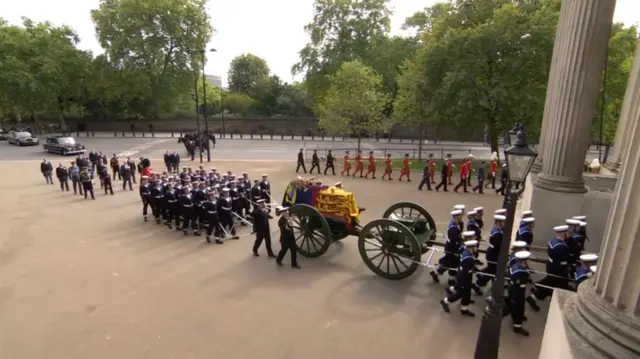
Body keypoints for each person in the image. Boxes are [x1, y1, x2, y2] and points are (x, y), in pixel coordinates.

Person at [526, 225, 572, 312]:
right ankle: (536, 293)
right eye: (567, 232)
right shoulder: (562, 246)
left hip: (550, 266)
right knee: (557, 286)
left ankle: (536, 291)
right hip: (558, 269)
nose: (569, 234)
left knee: (552, 285)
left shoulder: (552, 242)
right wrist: (566, 270)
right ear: (564, 233)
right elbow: (563, 262)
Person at [440, 235, 478, 317]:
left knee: (466, 295)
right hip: (465, 279)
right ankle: (445, 301)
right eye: (475, 247)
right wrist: (463, 282)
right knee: (460, 294)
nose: (476, 248)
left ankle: (465, 309)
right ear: (471, 247)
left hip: (464, 277)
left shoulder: (465, 253)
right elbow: (465, 271)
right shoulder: (468, 258)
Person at [430, 209, 463, 285]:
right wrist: (455, 251)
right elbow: (453, 241)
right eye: (460, 215)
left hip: (452, 247)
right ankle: (437, 272)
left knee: (452, 263)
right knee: (449, 262)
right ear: (456, 217)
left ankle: (447, 277)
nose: (461, 217)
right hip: (452, 248)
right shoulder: (453, 228)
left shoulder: (455, 225)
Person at [476, 214, 506, 287]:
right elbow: (499, 246)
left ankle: (481, 277)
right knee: (493, 270)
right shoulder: (498, 234)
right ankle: (480, 282)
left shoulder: (496, 229)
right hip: (493, 254)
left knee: (492, 269)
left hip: (491, 253)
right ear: (499, 222)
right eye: (503, 222)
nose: (504, 224)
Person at [508, 251, 533, 336]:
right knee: (519, 307)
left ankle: (515, 317)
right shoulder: (522, 272)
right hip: (518, 291)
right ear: (523, 261)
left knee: (514, 304)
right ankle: (517, 326)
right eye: (528, 260)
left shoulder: (515, 266)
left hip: (512, 288)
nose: (530, 261)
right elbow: (521, 284)